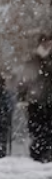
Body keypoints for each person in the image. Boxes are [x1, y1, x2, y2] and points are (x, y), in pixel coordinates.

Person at [18, 33, 52, 163]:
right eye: (46, 44)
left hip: (48, 103)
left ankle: (46, 158)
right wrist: (22, 99)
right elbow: (23, 81)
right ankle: (37, 159)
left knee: (48, 133)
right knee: (37, 134)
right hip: (35, 103)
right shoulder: (34, 62)